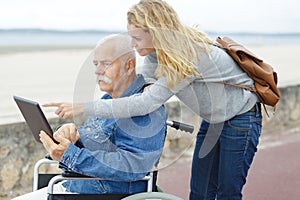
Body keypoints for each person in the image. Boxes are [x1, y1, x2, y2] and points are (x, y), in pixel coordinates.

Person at [47, 1, 262, 199]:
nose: (132, 43)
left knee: (228, 192)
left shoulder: (188, 55)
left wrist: (86, 107)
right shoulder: (154, 54)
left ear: (157, 33)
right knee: (201, 190)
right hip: (213, 119)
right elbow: (144, 90)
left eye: (137, 38)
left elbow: (146, 103)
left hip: (241, 117)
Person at [12, 34, 167, 199]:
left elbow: (132, 165)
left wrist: (71, 155)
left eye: (106, 64)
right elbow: (96, 141)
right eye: (96, 64)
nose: (98, 71)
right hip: (74, 186)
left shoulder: (147, 107)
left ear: (129, 66)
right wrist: (72, 135)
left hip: (104, 194)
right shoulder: (108, 99)